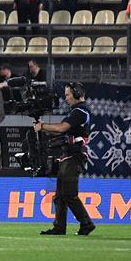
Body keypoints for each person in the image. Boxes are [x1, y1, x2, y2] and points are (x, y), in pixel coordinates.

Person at [36, 83, 96, 236]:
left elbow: (61, 128)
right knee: (60, 195)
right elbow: (61, 131)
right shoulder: (76, 111)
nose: (66, 98)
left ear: (77, 94)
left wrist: (42, 126)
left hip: (75, 155)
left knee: (69, 194)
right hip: (68, 154)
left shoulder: (80, 111)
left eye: (68, 94)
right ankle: (59, 227)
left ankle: (86, 223)